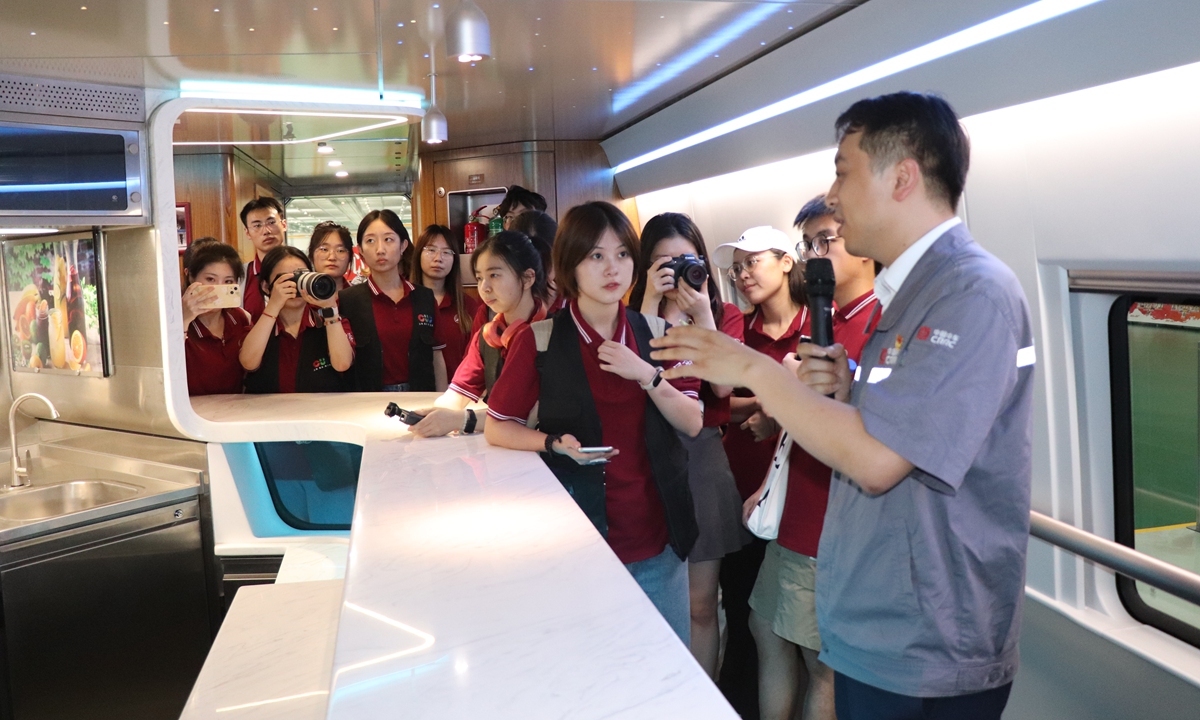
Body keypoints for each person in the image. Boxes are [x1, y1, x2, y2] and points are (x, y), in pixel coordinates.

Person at [651, 92, 1034, 720]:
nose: (833, 194)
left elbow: (880, 459)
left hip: (928, 640)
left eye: (843, 171)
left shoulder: (971, 293)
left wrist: (753, 369)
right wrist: (850, 390)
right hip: (878, 619)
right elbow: (896, 423)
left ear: (902, 177)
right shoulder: (907, 297)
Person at [484, 201, 703, 643]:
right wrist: (551, 444)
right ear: (570, 264)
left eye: (623, 254)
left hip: (657, 539)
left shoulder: (659, 333)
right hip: (575, 541)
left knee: (666, 676)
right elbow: (497, 426)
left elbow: (694, 420)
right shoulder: (540, 339)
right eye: (596, 256)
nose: (612, 269)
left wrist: (646, 373)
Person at [744, 195, 878, 720]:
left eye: (827, 240)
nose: (815, 255)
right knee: (764, 626)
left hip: (831, 521)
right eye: (808, 244)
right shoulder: (824, 324)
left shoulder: (879, 325)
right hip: (797, 508)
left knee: (820, 663)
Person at [629, 212, 749, 680]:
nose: (675, 271)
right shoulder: (632, 314)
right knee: (649, 597)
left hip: (701, 459)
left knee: (701, 605)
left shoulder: (723, 315)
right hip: (645, 457)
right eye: (662, 262)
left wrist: (701, 315)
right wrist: (648, 302)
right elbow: (625, 382)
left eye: (684, 260)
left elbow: (723, 389)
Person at [708, 225, 807, 719]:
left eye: (754, 262)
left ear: (787, 262)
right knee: (747, 619)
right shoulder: (735, 332)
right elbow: (711, 404)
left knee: (801, 642)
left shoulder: (814, 331)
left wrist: (776, 406)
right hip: (739, 498)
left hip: (798, 507)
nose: (743, 274)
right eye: (738, 266)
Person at [410, 230, 549, 438]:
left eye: (494, 275)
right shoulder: (489, 335)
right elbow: (457, 393)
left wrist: (458, 419)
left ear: (528, 278)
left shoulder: (551, 335)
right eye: (479, 277)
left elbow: (520, 415)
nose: (484, 287)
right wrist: (436, 413)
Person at [338, 210, 447, 392]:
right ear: (361, 251)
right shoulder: (348, 300)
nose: (380, 249)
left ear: (403, 245)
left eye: (388, 239)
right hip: (367, 400)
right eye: (370, 241)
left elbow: (436, 356)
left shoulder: (424, 298)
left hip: (419, 396)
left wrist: (442, 402)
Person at [240, 245, 354, 393]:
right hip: (269, 413)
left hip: (319, 412)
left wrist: (330, 309)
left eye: (301, 276)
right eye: (286, 279)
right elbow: (248, 363)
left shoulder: (328, 321)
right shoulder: (260, 325)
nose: (295, 285)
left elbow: (342, 364)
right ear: (266, 286)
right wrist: (273, 306)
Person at [410, 224, 481, 379]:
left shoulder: (467, 305)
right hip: (415, 392)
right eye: (431, 250)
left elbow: (477, 357)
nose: (438, 258)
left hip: (459, 391)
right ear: (418, 255)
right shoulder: (406, 301)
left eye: (447, 252)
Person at [182, 241, 252, 396]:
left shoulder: (240, 318)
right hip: (190, 413)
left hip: (233, 412)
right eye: (210, 279)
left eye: (228, 281)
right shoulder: (172, 321)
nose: (218, 289)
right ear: (191, 276)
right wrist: (183, 320)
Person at [239, 197, 287, 320]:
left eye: (271, 222)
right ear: (247, 233)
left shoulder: (305, 270)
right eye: (257, 225)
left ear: (284, 224)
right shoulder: (240, 276)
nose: (266, 231)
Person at [509, 209, 565, 312]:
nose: (535, 272)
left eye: (544, 261)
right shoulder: (492, 310)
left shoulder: (579, 306)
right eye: (525, 263)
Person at [307, 221, 354, 292]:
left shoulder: (360, 298)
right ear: (311, 254)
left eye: (340, 250)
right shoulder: (301, 299)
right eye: (324, 249)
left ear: (350, 257)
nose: (332, 257)